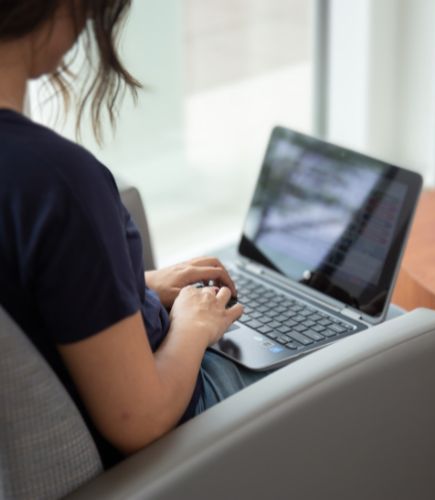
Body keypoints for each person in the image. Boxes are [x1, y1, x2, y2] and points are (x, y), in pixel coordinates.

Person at [0, 0, 268, 469]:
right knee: (376, 346)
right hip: (168, 435)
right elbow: (137, 421)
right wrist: (193, 325)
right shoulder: (54, 181)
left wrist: (132, 286)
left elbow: (24, 299)